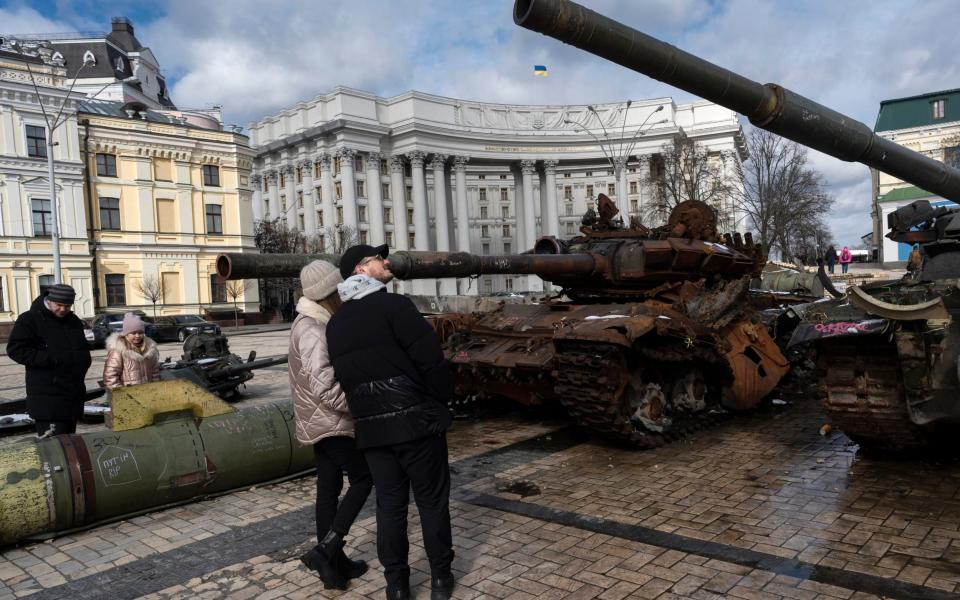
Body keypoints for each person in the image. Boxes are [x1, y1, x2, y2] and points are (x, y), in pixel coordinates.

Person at [326, 244, 456, 600]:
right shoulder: (395, 306)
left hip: (372, 431)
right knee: (431, 502)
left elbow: (346, 378)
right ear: (360, 270)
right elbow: (430, 361)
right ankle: (441, 579)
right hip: (416, 423)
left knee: (390, 507)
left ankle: (396, 585)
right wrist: (442, 399)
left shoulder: (336, 324)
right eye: (377, 259)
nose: (386, 262)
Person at [289, 260, 373, 591]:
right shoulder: (311, 328)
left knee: (328, 488)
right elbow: (323, 384)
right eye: (337, 288)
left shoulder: (313, 322)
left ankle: (334, 564)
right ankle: (327, 550)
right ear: (327, 293)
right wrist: (357, 407)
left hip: (319, 420)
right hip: (331, 420)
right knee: (364, 479)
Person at [7, 283, 92, 436]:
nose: (63, 309)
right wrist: (49, 359)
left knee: (70, 445)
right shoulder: (29, 319)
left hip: (72, 396)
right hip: (47, 398)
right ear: (49, 300)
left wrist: (84, 360)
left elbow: (81, 348)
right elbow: (16, 349)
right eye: (59, 305)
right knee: (54, 450)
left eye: (67, 306)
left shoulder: (73, 320)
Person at [103, 313, 160, 390]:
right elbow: (110, 376)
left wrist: (155, 388)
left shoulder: (150, 348)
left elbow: (155, 372)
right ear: (126, 334)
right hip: (128, 396)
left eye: (140, 333)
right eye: (133, 333)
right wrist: (123, 394)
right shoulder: (118, 350)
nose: (137, 336)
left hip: (147, 393)